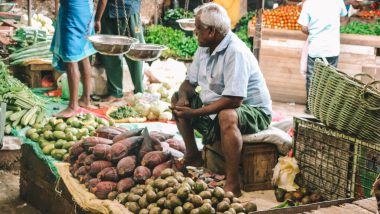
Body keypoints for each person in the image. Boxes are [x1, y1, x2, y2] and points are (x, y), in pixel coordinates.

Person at [171, 3, 272, 197]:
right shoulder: (204, 47)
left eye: (198, 28)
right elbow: (188, 83)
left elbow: (234, 100)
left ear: (211, 31)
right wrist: (183, 98)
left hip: (254, 111)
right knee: (176, 98)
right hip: (218, 104)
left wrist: (196, 112)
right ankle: (193, 155)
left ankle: (232, 182)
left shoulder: (236, 52)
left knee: (226, 115)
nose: (195, 32)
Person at [51, 0, 102, 117]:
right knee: (84, 55)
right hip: (86, 11)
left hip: (72, 11)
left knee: (71, 59)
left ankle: (73, 106)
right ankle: (85, 99)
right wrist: (98, 19)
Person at [297, 0, 347, 113]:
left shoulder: (309, 3)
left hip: (316, 47)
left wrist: (315, 31)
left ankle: (311, 107)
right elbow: (343, 17)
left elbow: (303, 28)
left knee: (312, 78)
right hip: (332, 48)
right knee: (331, 78)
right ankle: (327, 108)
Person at [95, 0, 145, 102]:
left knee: (111, 52)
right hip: (131, 12)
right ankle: (139, 92)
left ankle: (116, 92)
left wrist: (97, 19)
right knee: (135, 51)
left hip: (113, 12)